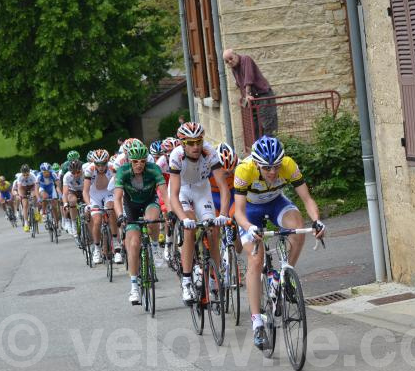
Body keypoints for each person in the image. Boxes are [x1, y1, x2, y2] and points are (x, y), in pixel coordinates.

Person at [233, 136, 326, 349]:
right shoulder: (244, 170)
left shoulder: (288, 165)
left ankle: (284, 274)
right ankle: (257, 322)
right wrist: (249, 227)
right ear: (256, 163)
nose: (273, 172)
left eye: (275, 166)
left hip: (276, 203)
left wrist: (317, 221)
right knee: (256, 259)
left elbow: (307, 199)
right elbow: (237, 212)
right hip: (250, 211)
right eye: (267, 168)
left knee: (298, 228)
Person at [168, 121, 231, 304]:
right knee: (189, 228)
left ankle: (214, 278)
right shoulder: (176, 156)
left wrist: (224, 214)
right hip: (183, 191)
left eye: (199, 142)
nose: (196, 147)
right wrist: (182, 218)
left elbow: (223, 187)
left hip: (202, 190)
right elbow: (173, 193)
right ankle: (187, 281)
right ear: (183, 144)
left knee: (213, 230)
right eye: (191, 143)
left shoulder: (209, 152)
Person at [112, 139, 168, 304]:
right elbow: (117, 198)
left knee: (151, 220)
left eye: (142, 161)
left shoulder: (153, 169)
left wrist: (169, 212)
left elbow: (164, 194)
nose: (139, 165)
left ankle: (156, 247)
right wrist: (120, 215)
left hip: (150, 201)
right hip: (131, 207)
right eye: (135, 162)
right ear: (129, 160)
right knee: (134, 244)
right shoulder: (122, 171)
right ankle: (134, 287)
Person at [223, 49, 278, 138]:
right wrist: (244, 98)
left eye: (230, 58)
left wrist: (247, 94)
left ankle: (270, 147)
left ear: (235, 55)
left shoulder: (246, 59)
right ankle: (258, 148)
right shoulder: (234, 69)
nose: (230, 62)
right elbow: (239, 84)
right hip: (253, 99)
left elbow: (249, 79)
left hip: (263, 95)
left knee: (267, 123)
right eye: (227, 61)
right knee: (255, 126)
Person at [83, 149, 121, 265]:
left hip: (108, 193)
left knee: (110, 210)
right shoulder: (89, 169)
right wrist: (89, 205)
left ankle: (116, 245)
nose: (100, 167)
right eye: (97, 164)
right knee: (97, 220)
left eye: (103, 164)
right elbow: (85, 191)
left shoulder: (112, 167)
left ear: (107, 162)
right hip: (94, 196)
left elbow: (117, 185)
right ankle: (97, 248)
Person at [62, 160, 84, 236]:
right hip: (73, 190)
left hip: (84, 190)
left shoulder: (86, 172)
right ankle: (74, 223)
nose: (75, 175)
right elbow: (65, 193)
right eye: (73, 173)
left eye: (78, 172)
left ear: (81, 169)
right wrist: (65, 204)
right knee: (72, 201)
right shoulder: (67, 176)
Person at [17, 165, 38, 232]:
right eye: (24, 175)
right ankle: (26, 223)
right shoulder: (20, 177)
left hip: (32, 186)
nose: (26, 176)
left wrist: (35, 194)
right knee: (25, 205)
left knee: (34, 195)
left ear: (29, 172)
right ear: (22, 173)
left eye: (27, 174)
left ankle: (35, 211)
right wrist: (21, 196)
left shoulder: (32, 175)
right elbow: (19, 188)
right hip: (23, 188)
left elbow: (36, 185)